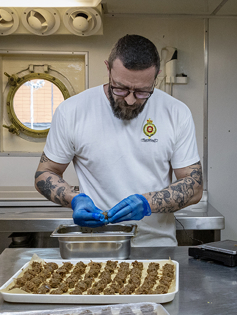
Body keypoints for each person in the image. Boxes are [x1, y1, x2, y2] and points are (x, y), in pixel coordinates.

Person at [35, 34, 203, 246]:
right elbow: (45, 172)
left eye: (142, 91)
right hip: (96, 247)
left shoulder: (176, 112)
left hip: (156, 247)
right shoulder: (73, 111)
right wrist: (74, 199)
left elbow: (194, 185)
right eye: (121, 88)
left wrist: (148, 203)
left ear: (156, 77)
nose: (131, 99)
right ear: (108, 69)